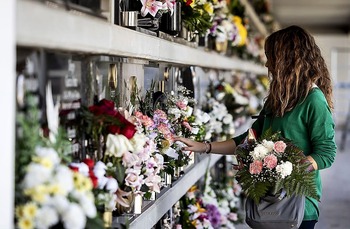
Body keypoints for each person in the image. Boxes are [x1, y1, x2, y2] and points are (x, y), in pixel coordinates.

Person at [174, 25, 337, 229]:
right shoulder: (278, 99)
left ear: (287, 60)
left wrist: (284, 170)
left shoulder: (314, 100)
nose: (267, 63)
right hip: (268, 201)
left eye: (271, 57)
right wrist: (204, 147)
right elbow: (250, 139)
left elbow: (326, 153)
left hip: (297, 206)